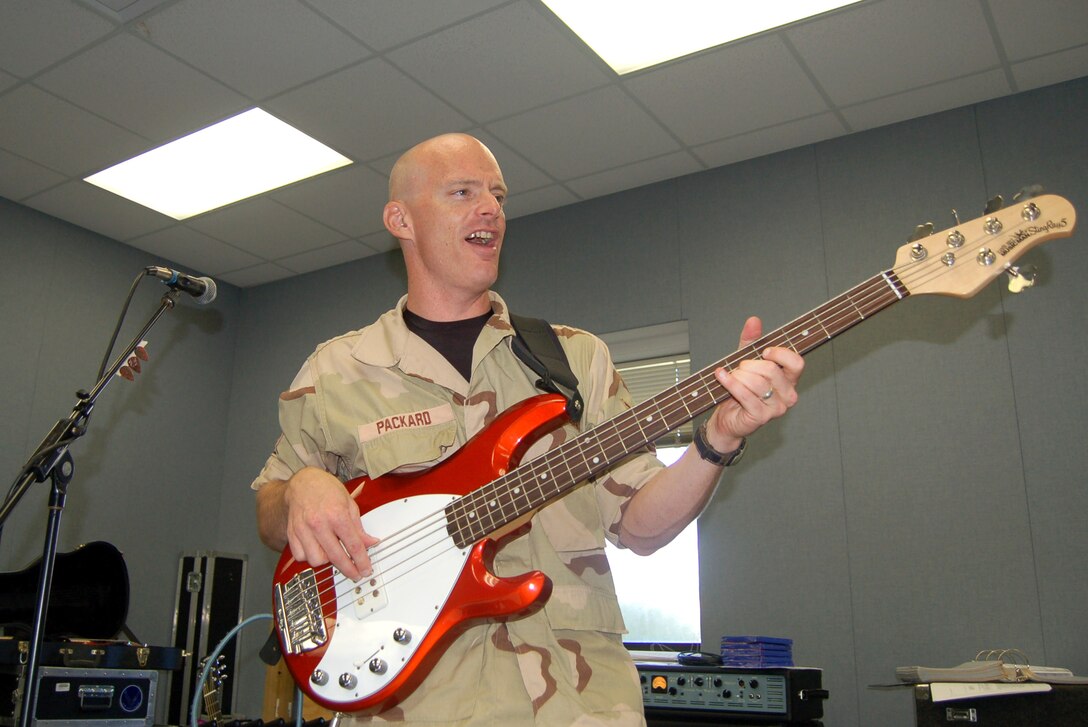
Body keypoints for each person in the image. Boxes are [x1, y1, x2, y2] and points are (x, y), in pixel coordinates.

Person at [252, 133, 804, 726]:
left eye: (497, 194)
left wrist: (717, 437)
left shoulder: (573, 359)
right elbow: (271, 510)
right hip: (411, 706)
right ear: (400, 219)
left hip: (580, 704)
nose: (490, 208)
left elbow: (640, 529)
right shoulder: (337, 370)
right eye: (463, 192)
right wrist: (302, 488)